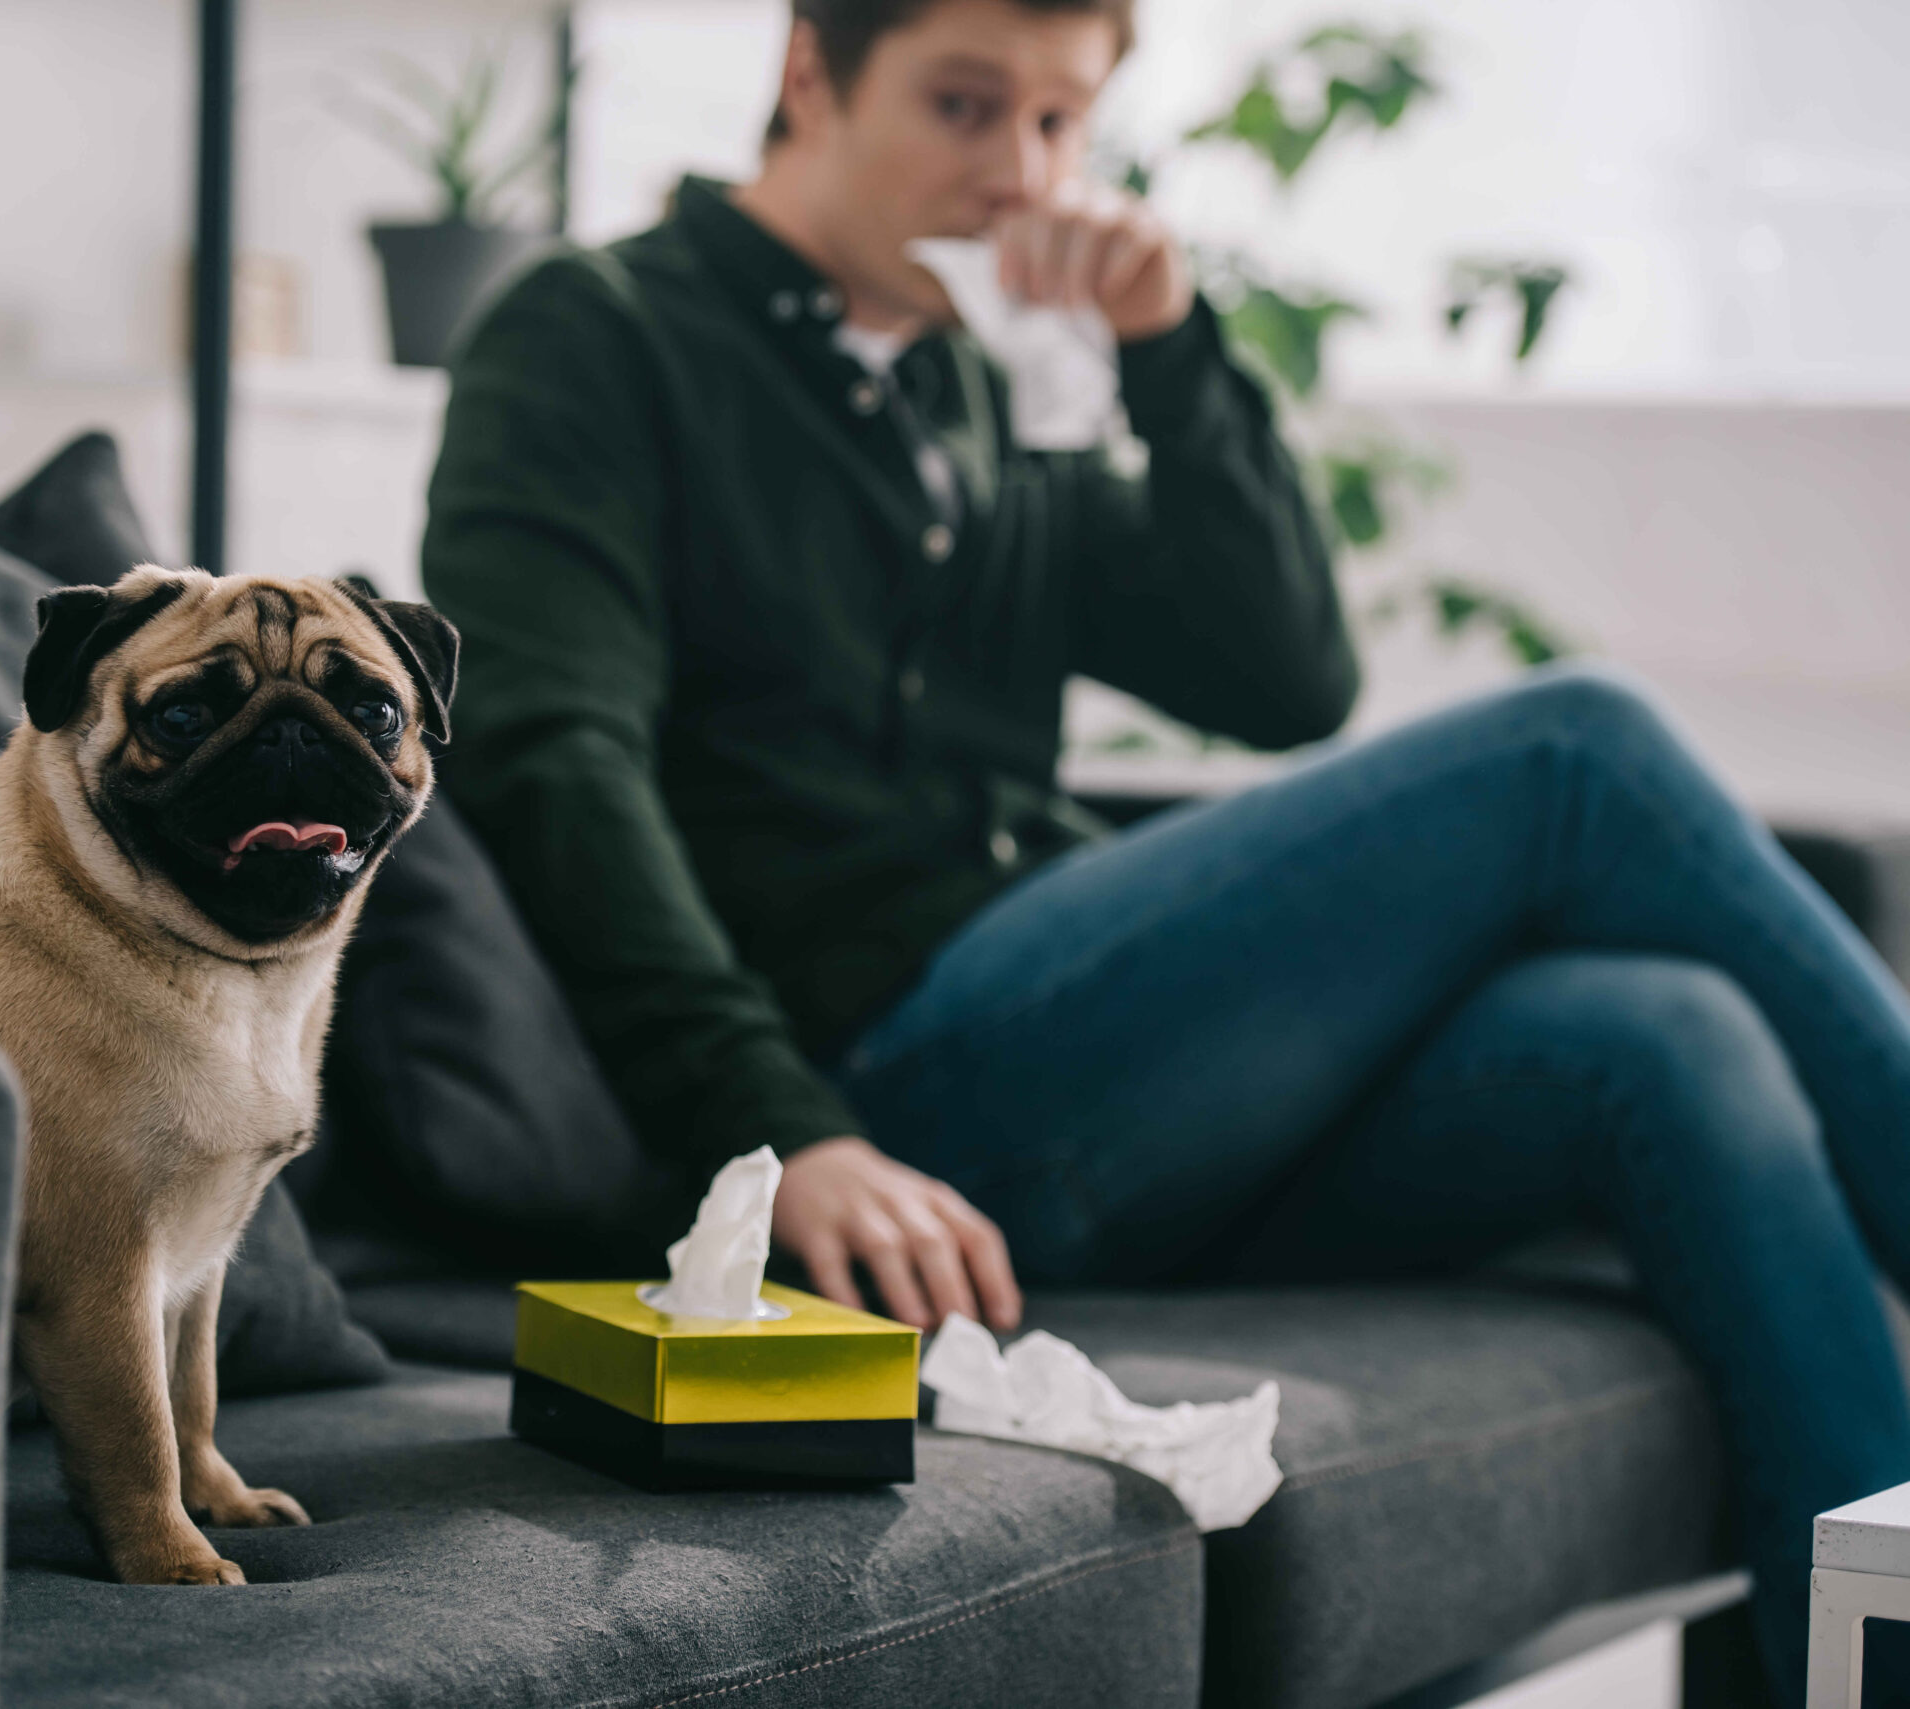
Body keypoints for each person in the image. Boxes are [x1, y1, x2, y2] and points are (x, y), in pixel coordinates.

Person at [417, 0, 1910, 1694]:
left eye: (1061, 123)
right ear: (808, 73)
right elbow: (552, 757)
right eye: (966, 106)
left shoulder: (977, 379)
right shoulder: (595, 332)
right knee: (1578, 748)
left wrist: (1174, 353)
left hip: (1103, 1078)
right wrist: (777, 1124)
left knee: (1672, 1033)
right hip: (888, 1090)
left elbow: (1281, 676)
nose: (1021, 174)